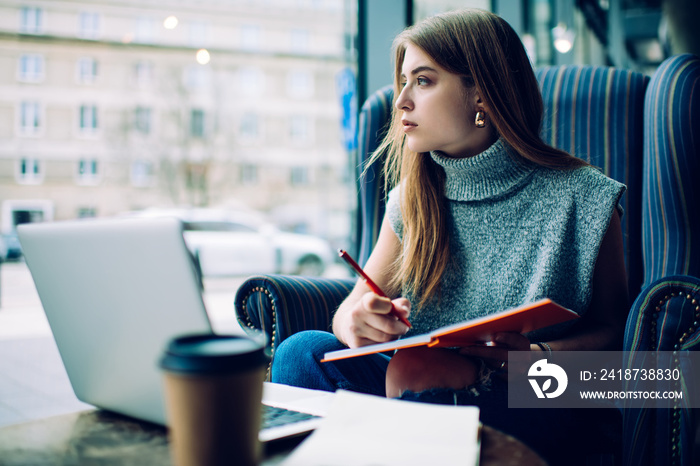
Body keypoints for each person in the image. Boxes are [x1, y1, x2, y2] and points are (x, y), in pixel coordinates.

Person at [272, 8, 629, 464]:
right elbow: (354, 307)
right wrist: (357, 321)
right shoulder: (411, 199)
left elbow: (618, 338)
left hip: (529, 392)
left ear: (481, 93)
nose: (400, 100)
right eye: (403, 81)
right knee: (302, 352)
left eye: (422, 81)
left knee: (426, 389)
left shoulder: (584, 197)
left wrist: (535, 357)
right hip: (411, 383)